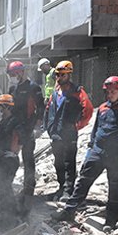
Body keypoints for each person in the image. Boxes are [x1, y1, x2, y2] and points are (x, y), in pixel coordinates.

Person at [55, 76, 118, 230]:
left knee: (115, 186)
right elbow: (96, 129)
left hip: (117, 154)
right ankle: (69, 211)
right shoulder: (102, 108)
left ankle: (111, 220)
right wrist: (90, 148)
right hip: (98, 151)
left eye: (113, 92)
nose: (110, 95)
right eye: (107, 92)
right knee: (83, 182)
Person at [43, 60, 93, 201]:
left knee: (68, 163)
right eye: (58, 75)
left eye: (63, 75)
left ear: (69, 75)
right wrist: (48, 127)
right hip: (55, 134)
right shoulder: (55, 92)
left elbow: (88, 110)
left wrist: (77, 126)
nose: (59, 77)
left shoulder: (77, 92)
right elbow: (48, 110)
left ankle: (68, 191)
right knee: (58, 162)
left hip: (69, 134)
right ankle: (61, 187)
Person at [7, 61, 45, 200]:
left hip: (28, 128)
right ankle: (8, 188)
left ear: (21, 72)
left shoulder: (33, 87)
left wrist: (37, 124)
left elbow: (41, 107)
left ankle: (29, 190)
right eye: (10, 74)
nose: (12, 76)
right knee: (11, 158)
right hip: (14, 128)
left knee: (28, 159)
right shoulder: (13, 89)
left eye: (13, 74)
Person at [0, 94, 22, 224]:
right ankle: (6, 217)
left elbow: (19, 139)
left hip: (8, 160)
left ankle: (12, 218)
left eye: (0, 107)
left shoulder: (14, 122)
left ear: (6, 107)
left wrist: (14, 152)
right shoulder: (3, 121)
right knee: (1, 188)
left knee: (5, 188)